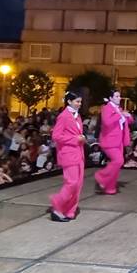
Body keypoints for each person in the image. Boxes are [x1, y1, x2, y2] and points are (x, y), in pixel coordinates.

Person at [50, 91, 86, 222]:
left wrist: (80, 138)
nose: (80, 104)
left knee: (78, 184)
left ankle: (69, 211)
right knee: (72, 183)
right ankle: (57, 206)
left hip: (78, 153)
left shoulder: (77, 116)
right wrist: (75, 139)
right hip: (68, 153)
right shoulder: (64, 116)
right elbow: (56, 136)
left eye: (80, 101)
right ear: (69, 101)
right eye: (77, 101)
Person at [94, 90, 131, 195]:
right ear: (110, 98)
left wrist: (127, 116)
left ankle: (110, 187)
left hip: (118, 140)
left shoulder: (118, 109)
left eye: (119, 96)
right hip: (109, 140)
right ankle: (101, 176)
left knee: (117, 164)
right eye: (117, 96)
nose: (119, 98)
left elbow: (127, 121)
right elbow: (107, 122)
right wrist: (120, 114)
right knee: (118, 161)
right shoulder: (106, 108)